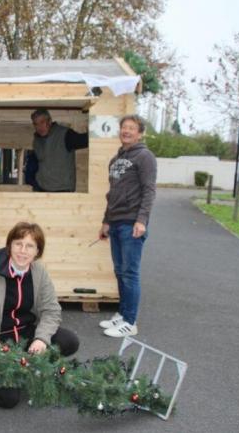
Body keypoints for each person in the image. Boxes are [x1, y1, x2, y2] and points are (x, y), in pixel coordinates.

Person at [0, 222, 79, 409]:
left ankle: (26, 364)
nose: (23, 251)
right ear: (9, 246)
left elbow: (52, 310)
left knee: (69, 341)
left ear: (37, 251)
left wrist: (42, 339)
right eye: (18, 244)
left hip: (25, 333)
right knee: (9, 399)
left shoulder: (39, 273)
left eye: (30, 246)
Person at [97, 114, 157, 338]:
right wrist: (106, 221)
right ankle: (122, 314)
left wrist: (141, 220)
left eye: (132, 128)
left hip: (132, 223)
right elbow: (112, 194)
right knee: (120, 271)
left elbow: (149, 190)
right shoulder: (116, 159)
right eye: (124, 127)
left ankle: (130, 322)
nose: (127, 131)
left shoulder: (145, 157)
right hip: (116, 221)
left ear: (140, 133)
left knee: (130, 273)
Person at [30, 108, 89, 192]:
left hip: (62, 190)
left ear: (49, 121)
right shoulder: (37, 140)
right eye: (36, 124)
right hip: (41, 188)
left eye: (42, 122)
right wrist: (34, 183)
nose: (39, 127)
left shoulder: (65, 135)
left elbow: (86, 140)